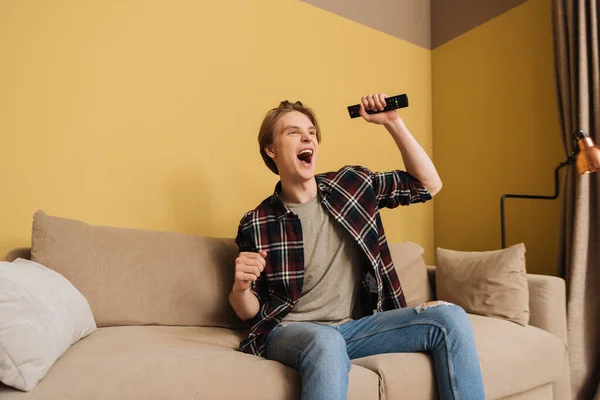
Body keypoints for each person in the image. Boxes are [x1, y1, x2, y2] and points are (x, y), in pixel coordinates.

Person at [229, 93, 485, 400]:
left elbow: (429, 185)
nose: (306, 137)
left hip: (355, 330)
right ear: (270, 149)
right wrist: (241, 287)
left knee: (450, 318)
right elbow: (248, 312)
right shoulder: (257, 221)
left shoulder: (351, 185)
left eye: (311, 132)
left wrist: (393, 123)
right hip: (291, 332)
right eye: (293, 132)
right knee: (326, 342)